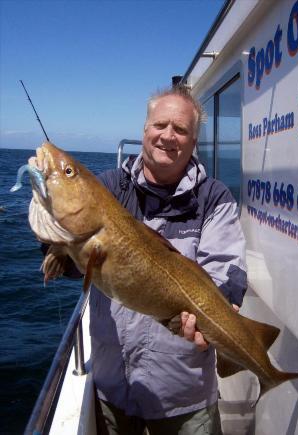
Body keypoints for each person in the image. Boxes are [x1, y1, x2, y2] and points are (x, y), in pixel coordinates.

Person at [34, 86, 247, 434]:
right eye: (160, 125)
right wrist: (48, 224)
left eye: (180, 130)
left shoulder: (213, 197)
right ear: (144, 130)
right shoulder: (109, 187)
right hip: (113, 385)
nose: (168, 136)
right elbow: (74, 266)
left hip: (183, 391)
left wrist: (220, 310)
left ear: (193, 142)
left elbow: (227, 269)